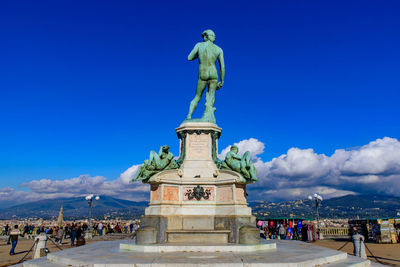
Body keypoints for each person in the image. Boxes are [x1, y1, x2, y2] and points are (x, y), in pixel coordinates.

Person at [186, 29, 225, 122]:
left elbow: (189, 57)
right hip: (213, 74)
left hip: (203, 74)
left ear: (206, 36)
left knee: (197, 96)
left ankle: (189, 116)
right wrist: (222, 80)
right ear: (211, 37)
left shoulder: (199, 45)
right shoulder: (218, 49)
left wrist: (199, 55)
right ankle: (208, 115)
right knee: (211, 96)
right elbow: (222, 66)